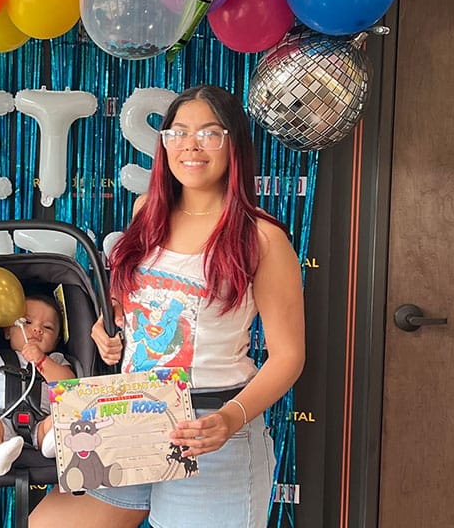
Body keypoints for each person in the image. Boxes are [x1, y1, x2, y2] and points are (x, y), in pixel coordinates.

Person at [30, 85, 305, 528]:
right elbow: (133, 294)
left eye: (209, 133)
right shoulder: (147, 211)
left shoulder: (261, 239)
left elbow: (289, 355)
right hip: (132, 415)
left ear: (233, 142)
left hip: (209, 427)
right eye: (176, 132)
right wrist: (109, 320)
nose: (190, 145)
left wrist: (232, 419)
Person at [0, 294, 76, 476]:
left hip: (40, 424)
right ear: (8, 331)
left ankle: (51, 442)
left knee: (64, 416)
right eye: (27, 322)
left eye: (47, 327)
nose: (37, 329)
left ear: (56, 341)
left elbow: (70, 391)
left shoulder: (56, 360)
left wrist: (42, 361)